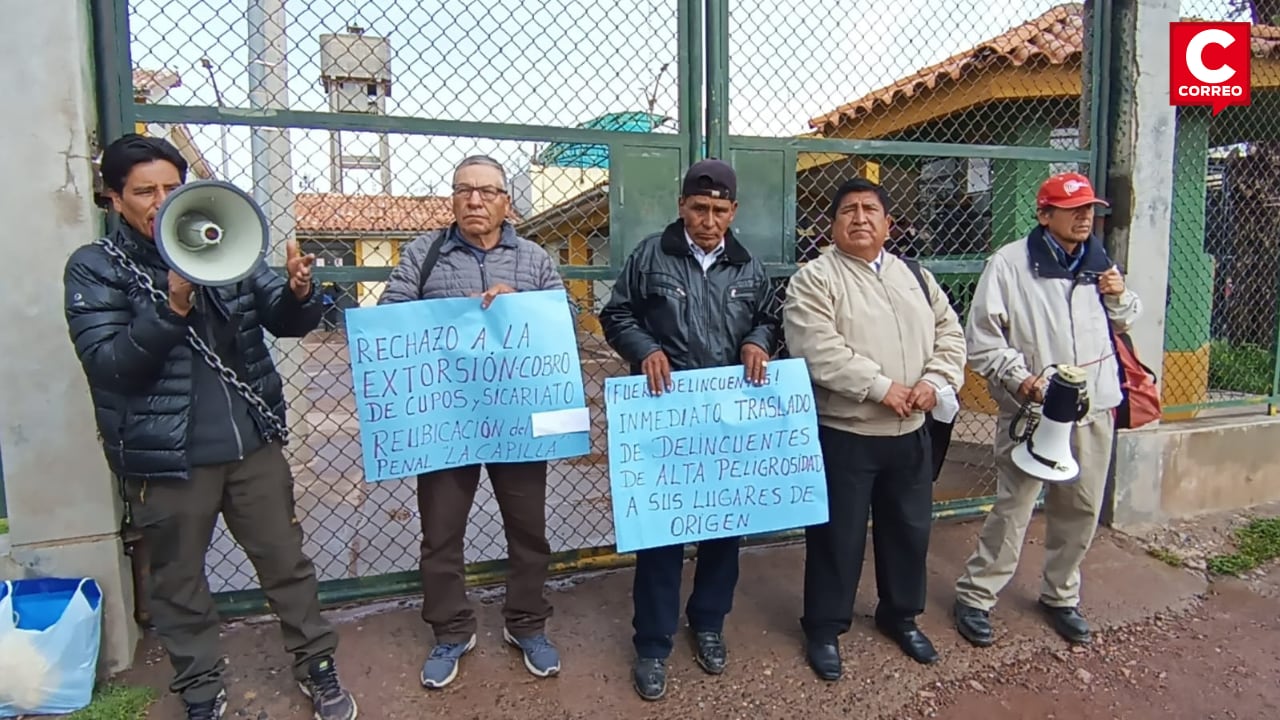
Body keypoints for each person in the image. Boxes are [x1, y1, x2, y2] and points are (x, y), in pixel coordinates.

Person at [62, 134, 358, 720]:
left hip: (251, 446)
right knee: (178, 581)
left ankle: (316, 665)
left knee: (286, 563)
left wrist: (301, 293)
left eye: (172, 187)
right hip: (166, 460)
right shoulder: (96, 269)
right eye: (145, 191)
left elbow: (284, 318)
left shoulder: (221, 244)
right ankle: (200, 686)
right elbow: (110, 365)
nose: (162, 202)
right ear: (114, 199)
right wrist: (171, 308)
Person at [378, 155, 567, 689]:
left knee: (529, 530)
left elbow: (561, 321)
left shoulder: (533, 259)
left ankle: (527, 624)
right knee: (441, 533)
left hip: (516, 420)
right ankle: (451, 631)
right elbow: (390, 316)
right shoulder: (424, 253)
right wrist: (449, 318)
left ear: (508, 202)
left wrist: (521, 305)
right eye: (464, 190)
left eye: (487, 191)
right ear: (453, 199)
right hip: (447, 422)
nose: (475, 200)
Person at [599, 158, 778, 701]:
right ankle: (652, 644)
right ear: (681, 207)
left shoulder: (749, 268)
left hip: (726, 423)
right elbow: (617, 315)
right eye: (698, 208)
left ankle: (708, 623)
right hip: (665, 418)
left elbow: (771, 315)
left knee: (724, 530)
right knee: (662, 534)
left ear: (733, 212)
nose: (708, 220)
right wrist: (645, 348)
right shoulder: (650, 257)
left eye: (719, 210)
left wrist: (760, 341)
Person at [782, 177, 967, 681]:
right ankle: (824, 627)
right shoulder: (816, 279)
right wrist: (880, 386)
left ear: (888, 223)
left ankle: (900, 615)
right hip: (847, 432)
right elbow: (815, 347)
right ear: (833, 223)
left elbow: (950, 333)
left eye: (870, 209)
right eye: (848, 210)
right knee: (837, 538)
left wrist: (934, 381)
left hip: (910, 434)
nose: (860, 218)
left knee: (909, 532)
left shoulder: (916, 276)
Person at [952, 172, 1142, 648]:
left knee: (1080, 507)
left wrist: (1118, 294)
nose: (1085, 218)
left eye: (1089, 210)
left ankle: (1060, 595)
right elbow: (983, 340)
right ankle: (976, 596)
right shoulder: (1011, 264)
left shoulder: (1099, 263)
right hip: (1033, 410)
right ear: (1044, 214)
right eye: (1073, 209)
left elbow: (1124, 320)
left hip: (1094, 406)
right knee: (1014, 507)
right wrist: (1023, 380)